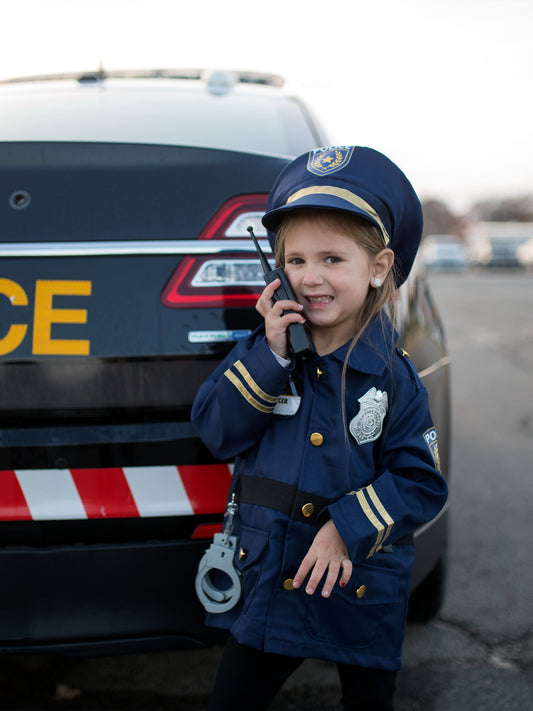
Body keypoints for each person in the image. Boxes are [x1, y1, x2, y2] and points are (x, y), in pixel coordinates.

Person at [191, 145, 448, 711]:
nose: (310, 278)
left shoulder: (394, 378)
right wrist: (270, 358)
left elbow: (421, 482)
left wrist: (346, 527)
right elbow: (215, 431)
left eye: (333, 260)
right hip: (272, 579)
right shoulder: (265, 354)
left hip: (362, 583)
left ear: (378, 267)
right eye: (296, 261)